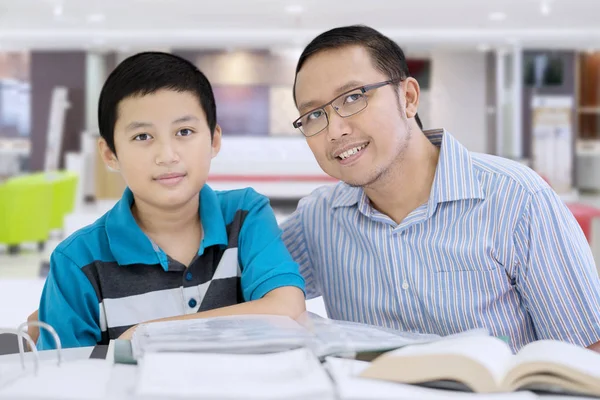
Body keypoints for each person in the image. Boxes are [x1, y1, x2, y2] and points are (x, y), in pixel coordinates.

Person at [281, 25, 600, 353]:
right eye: (315, 114)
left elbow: (589, 351)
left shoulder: (518, 200)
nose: (334, 130)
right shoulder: (317, 220)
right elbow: (237, 282)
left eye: (353, 97)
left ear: (408, 98)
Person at [34, 52, 306, 350]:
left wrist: (144, 333)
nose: (167, 155)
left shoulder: (244, 215)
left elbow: (286, 309)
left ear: (214, 140)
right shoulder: (78, 261)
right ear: (110, 154)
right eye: (142, 136)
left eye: (184, 132)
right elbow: (64, 378)